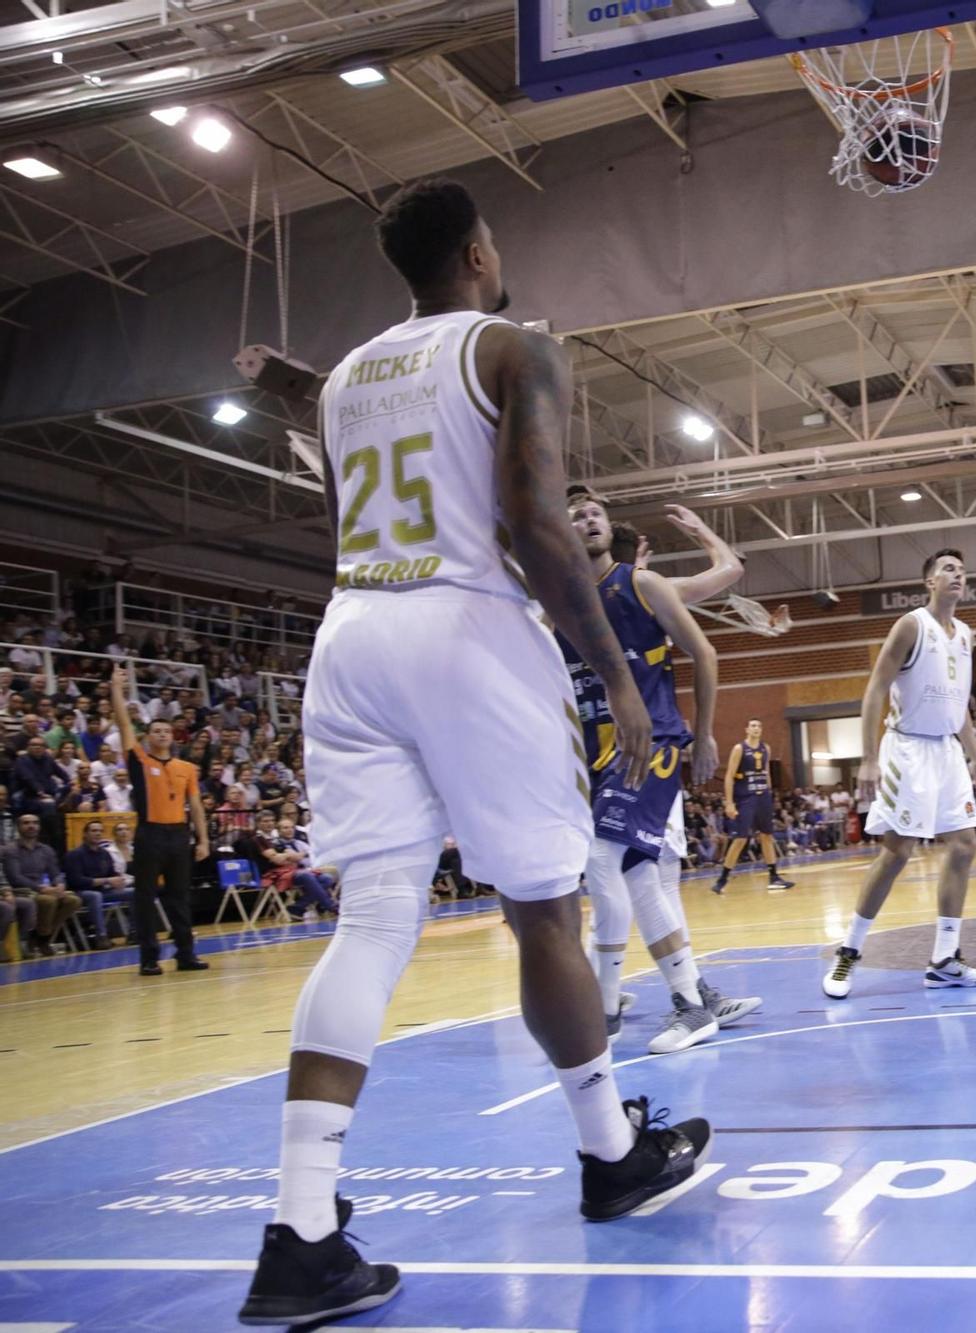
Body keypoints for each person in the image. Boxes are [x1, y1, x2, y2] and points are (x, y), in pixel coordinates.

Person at [237, 179, 710, 1328]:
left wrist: (282, 379)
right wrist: (608, 672)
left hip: (352, 636)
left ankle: (302, 1235)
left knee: (372, 920)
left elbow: (373, 473)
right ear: (481, 252)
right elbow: (539, 529)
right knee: (543, 911)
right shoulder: (514, 349)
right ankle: (609, 1154)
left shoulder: (349, 377)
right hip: (467, 633)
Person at [558, 489, 759, 1058]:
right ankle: (692, 997)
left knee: (606, 862)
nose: (590, 519)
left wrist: (706, 733)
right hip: (596, 756)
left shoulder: (643, 585)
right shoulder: (557, 604)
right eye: (577, 515)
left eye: (597, 512)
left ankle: (606, 1007)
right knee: (643, 878)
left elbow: (722, 595)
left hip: (653, 743)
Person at [822, 550, 976, 999]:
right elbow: (875, 690)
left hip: (946, 752)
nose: (957, 574)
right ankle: (849, 951)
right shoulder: (911, 625)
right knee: (898, 851)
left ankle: (944, 959)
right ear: (929, 582)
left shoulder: (965, 635)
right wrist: (867, 758)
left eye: (962, 569)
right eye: (947, 569)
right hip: (908, 747)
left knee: (964, 845)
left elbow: (958, 706)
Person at [109, 667, 212, 970]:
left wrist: (203, 839)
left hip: (179, 835)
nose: (162, 734)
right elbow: (123, 722)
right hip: (150, 834)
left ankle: (185, 954)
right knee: (145, 896)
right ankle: (149, 958)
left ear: (173, 736)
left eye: (166, 731)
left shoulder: (187, 768)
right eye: (156, 731)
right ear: (148, 736)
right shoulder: (139, 761)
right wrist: (117, 689)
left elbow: (195, 805)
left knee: (180, 896)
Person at [711, 720, 794, 893]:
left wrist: (770, 795)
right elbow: (729, 776)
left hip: (763, 796)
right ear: (747, 729)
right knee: (741, 838)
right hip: (745, 797)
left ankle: (774, 877)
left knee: (766, 836)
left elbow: (767, 773)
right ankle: (722, 879)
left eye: (759, 726)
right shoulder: (739, 749)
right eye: (753, 726)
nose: (756, 728)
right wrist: (729, 803)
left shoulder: (766, 748)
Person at [2, 814, 80, 956]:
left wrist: (59, 884)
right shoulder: (10, 850)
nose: (31, 826)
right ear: (18, 827)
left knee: (73, 900)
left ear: (39, 826)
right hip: (20, 890)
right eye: (26, 823)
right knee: (48, 901)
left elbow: (55, 872)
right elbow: (15, 877)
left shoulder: (46, 850)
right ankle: (41, 939)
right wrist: (42, 888)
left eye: (35, 823)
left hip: (43, 889)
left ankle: (42, 937)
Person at [64, 817, 134, 948]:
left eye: (100, 831)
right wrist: (106, 880)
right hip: (79, 893)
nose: (98, 833)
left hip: (103, 891)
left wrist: (118, 880)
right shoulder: (74, 854)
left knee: (134, 892)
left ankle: (134, 932)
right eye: (94, 831)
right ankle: (101, 936)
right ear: (85, 834)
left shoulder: (104, 854)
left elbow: (111, 874)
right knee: (94, 896)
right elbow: (76, 881)